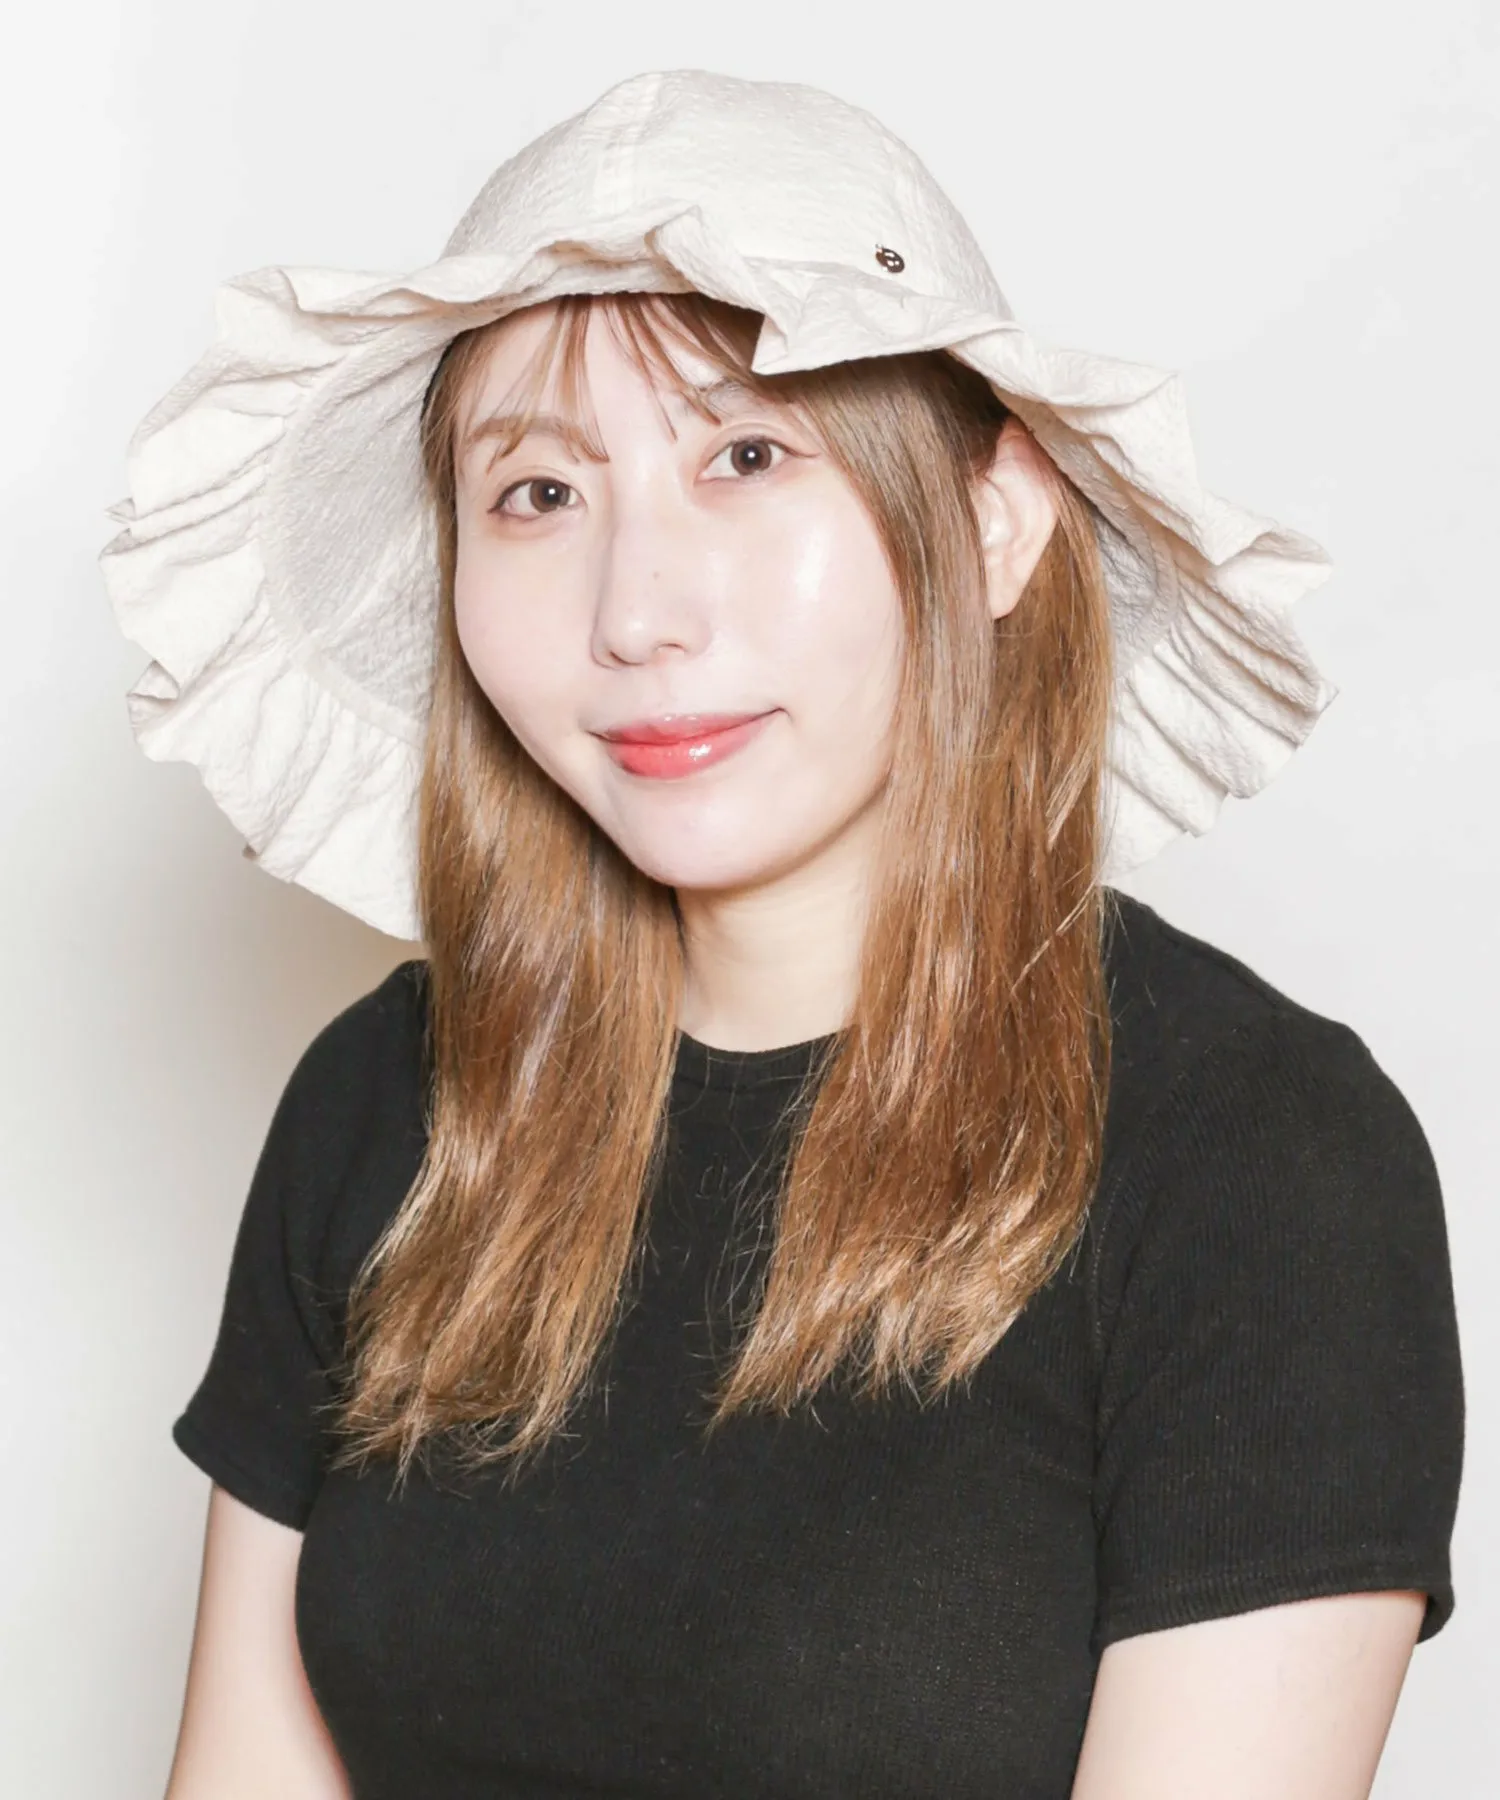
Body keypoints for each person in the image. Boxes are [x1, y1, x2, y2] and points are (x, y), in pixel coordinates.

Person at [102, 70, 1464, 1800]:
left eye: (746, 456)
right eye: (538, 493)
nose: (635, 614)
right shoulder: (387, 1103)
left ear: (992, 524)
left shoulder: (1257, 1157)